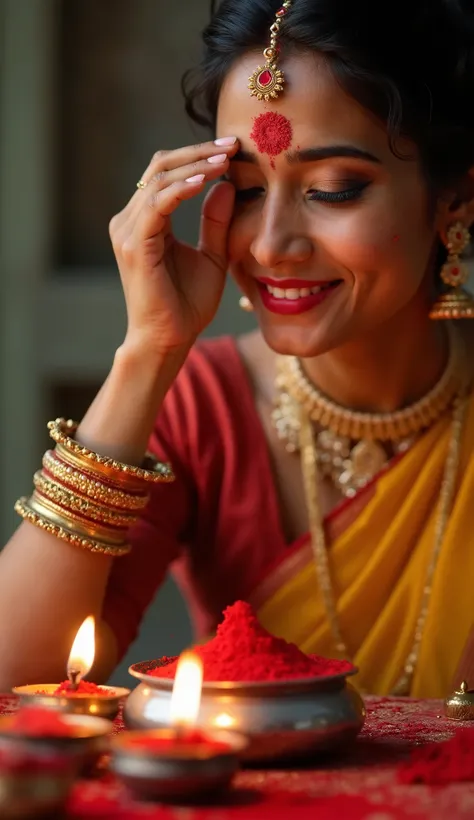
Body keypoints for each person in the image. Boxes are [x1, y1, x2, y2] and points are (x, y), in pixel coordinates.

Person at [1, 0, 474, 698]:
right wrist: (149, 351)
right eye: (246, 191)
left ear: (454, 202)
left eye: (332, 189)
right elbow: (18, 689)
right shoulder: (202, 406)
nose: (270, 244)